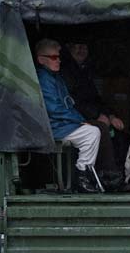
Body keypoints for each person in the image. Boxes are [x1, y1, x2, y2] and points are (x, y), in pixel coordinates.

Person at [35, 38, 100, 193]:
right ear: (41, 59)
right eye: (53, 57)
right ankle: (82, 176)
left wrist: (80, 120)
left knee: (94, 129)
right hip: (53, 127)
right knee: (92, 133)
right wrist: (80, 121)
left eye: (58, 57)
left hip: (62, 124)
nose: (58, 60)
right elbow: (54, 109)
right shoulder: (44, 79)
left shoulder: (56, 77)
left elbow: (68, 104)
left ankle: (89, 174)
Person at [61, 41, 127, 190]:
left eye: (84, 46)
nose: (81, 50)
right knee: (100, 129)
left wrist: (110, 115)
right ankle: (108, 175)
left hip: (91, 115)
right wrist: (97, 116)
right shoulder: (66, 71)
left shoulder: (85, 71)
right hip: (74, 118)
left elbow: (96, 99)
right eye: (76, 46)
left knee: (119, 131)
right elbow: (73, 101)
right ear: (69, 49)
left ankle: (119, 174)